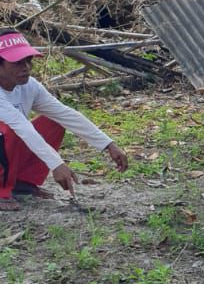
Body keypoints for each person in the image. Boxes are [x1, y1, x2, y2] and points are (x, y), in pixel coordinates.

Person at [0, 30, 128, 210]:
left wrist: (108, 144)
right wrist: (57, 164)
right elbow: (23, 128)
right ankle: (1, 192)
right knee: (8, 129)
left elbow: (65, 114)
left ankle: (23, 183)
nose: (26, 67)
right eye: (17, 63)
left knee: (53, 122)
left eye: (29, 61)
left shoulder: (30, 86)